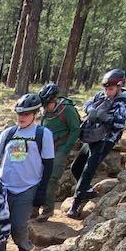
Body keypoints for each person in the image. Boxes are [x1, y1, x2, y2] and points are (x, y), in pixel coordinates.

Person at [0, 93, 53, 251]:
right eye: (19, 114)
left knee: (18, 225)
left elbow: (48, 164)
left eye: (26, 114)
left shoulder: (43, 134)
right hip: (4, 187)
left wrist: (42, 191)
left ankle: (24, 249)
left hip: (27, 188)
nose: (21, 118)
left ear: (35, 114)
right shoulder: (8, 133)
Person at [69, 68, 126, 219]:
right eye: (106, 88)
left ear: (118, 87)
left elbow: (120, 123)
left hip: (105, 140)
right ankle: (87, 191)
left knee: (88, 170)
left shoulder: (121, 102)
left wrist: (105, 118)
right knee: (76, 167)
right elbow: (88, 104)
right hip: (92, 137)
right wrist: (91, 110)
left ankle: (76, 204)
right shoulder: (100, 96)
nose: (107, 92)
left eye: (110, 89)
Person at [37, 82, 81, 220]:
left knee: (51, 178)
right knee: (36, 175)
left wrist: (66, 148)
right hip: (45, 147)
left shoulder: (67, 109)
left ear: (54, 100)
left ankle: (48, 209)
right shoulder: (46, 112)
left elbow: (75, 129)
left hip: (60, 148)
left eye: (47, 105)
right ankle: (34, 207)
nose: (45, 108)